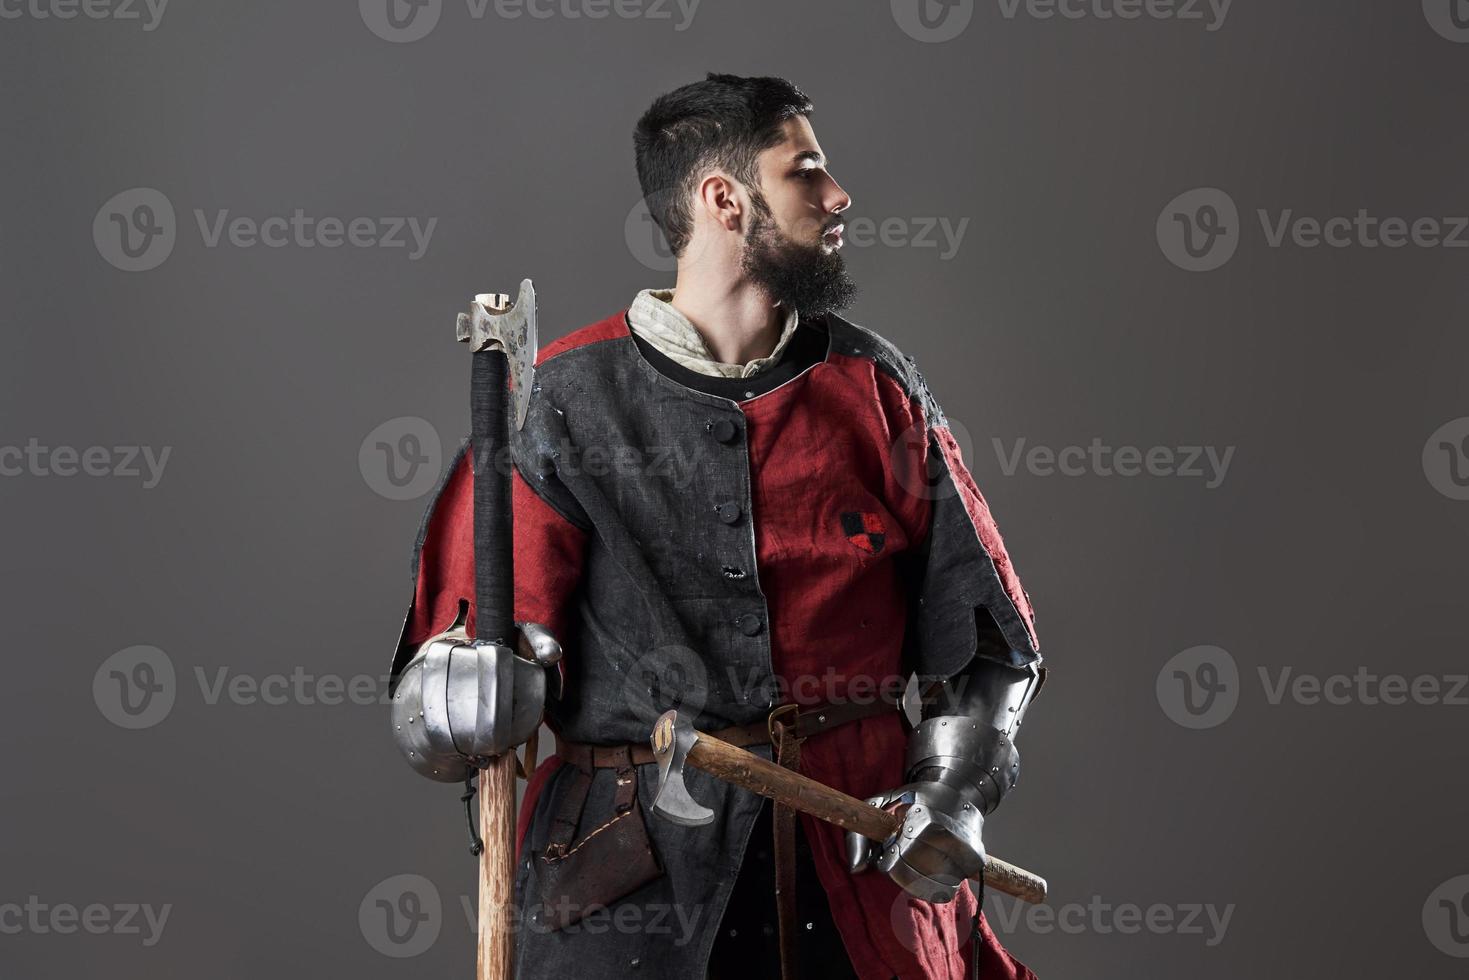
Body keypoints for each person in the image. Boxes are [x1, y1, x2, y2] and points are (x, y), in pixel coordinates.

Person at [388, 73, 1046, 980]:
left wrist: (954, 796)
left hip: (856, 857)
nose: (837, 195)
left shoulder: (874, 389)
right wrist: (466, 687)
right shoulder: (563, 400)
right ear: (722, 199)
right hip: (627, 884)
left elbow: (990, 645)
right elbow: (447, 686)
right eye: (805, 172)